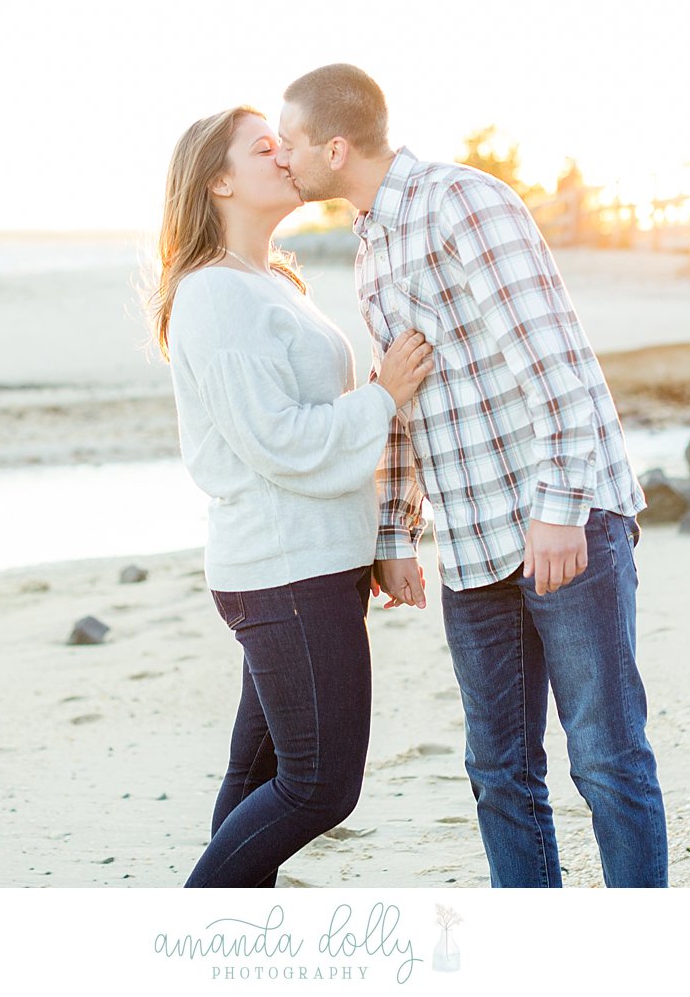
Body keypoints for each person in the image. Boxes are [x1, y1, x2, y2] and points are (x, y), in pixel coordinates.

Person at [274, 65, 669, 888]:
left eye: (293, 140)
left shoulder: (459, 203)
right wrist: (394, 536)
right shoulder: (374, 241)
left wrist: (559, 510)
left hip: (556, 522)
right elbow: (405, 397)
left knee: (605, 759)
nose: (284, 156)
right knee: (497, 773)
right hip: (473, 539)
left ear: (335, 146)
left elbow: (555, 359)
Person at [149, 104, 434, 888]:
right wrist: (383, 396)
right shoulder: (215, 295)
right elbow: (277, 440)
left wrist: (382, 539)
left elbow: (304, 434)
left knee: (255, 782)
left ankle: (225, 949)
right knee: (317, 789)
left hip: (310, 564)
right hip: (283, 572)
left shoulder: (268, 283)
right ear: (216, 180)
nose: (285, 156)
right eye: (263, 147)